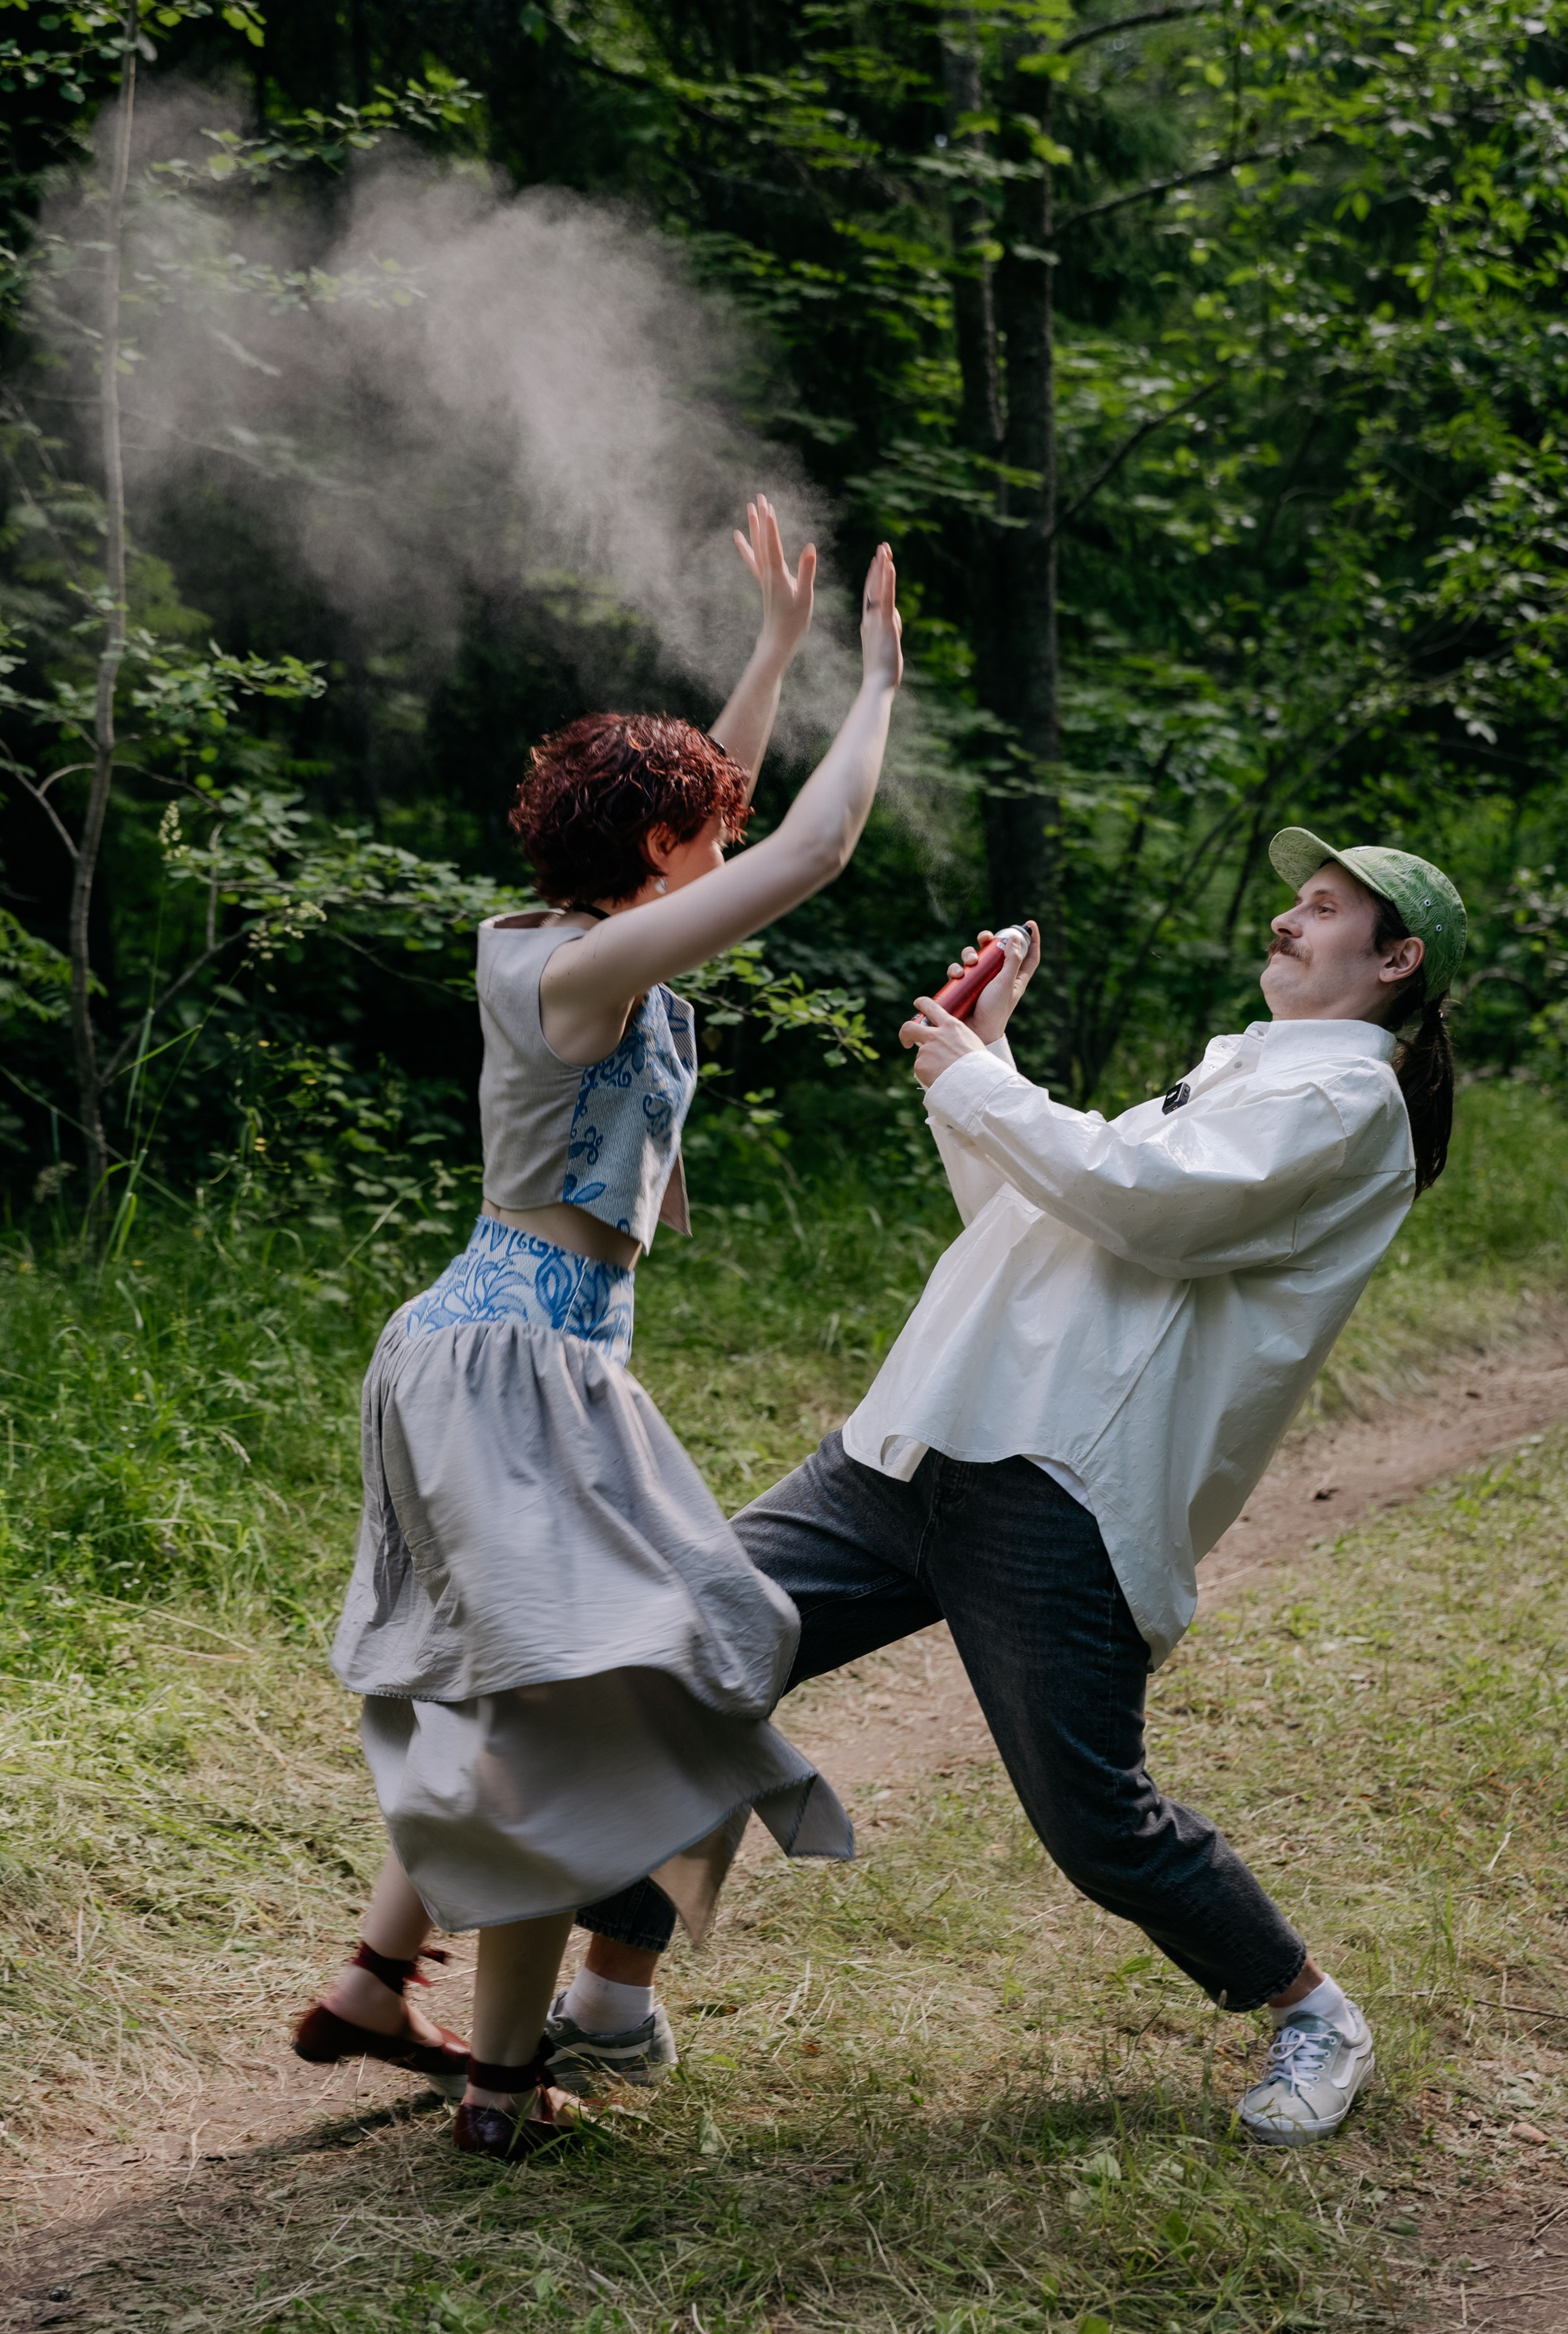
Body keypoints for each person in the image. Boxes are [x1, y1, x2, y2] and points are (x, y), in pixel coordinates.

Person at [580, 830, 1466, 2147]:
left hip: (1060, 1487)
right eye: (1293, 897)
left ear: (1391, 960)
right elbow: (1042, 1212)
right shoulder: (1240, 1068)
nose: (1289, 917)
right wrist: (982, 1061)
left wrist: (982, 1084)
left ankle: (1312, 2013)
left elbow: (1150, 1206)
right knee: (688, 1649)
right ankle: (609, 2007)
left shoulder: (1346, 1107)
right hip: (918, 1440)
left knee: (1096, 1823)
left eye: (1322, 909)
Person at [293, 498, 904, 2158]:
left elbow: (721, 806)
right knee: (556, 1708)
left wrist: (771, 655)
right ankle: (499, 2090)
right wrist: (873, 688)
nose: (723, 832)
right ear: (651, 856)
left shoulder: (579, 938)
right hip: (506, 1368)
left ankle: (373, 1984)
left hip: (525, 1358)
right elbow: (808, 854)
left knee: (542, 1685)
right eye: (699, 827)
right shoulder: (573, 980)